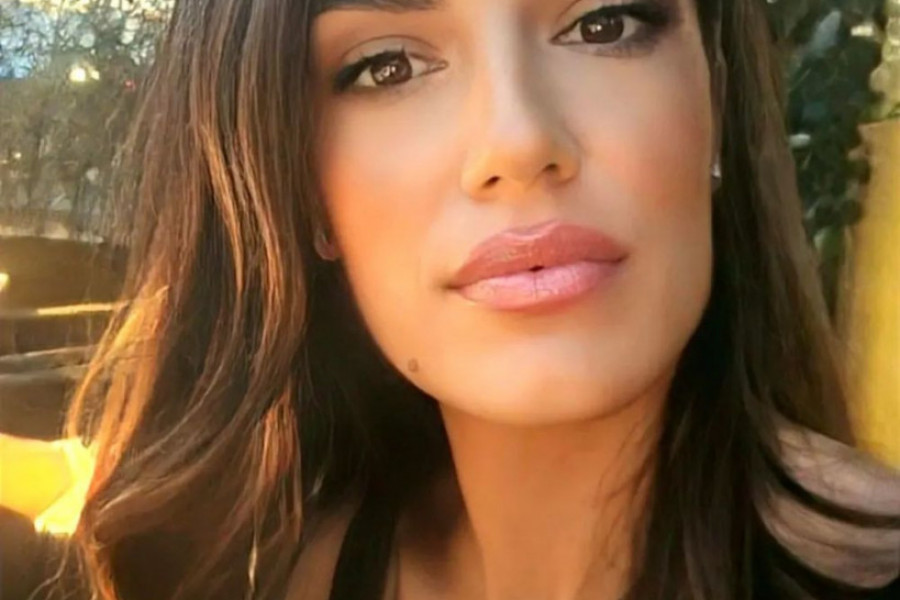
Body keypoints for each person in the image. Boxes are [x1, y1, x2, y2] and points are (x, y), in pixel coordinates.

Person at [60, 0, 900, 599]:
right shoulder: (274, 574)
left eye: (604, 24)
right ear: (299, 184)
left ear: (714, 91)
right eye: (388, 65)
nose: (519, 141)